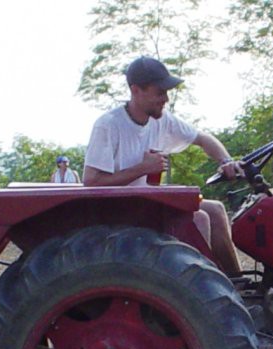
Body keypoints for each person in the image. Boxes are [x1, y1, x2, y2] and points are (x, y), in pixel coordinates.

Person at [83, 56, 243, 275]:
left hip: (147, 205)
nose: (165, 99)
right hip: (119, 212)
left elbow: (204, 139)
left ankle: (236, 283)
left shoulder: (162, 120)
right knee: (199, 218)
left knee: (215, 210)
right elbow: (92, 181)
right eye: (160, 92)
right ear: (136, 90)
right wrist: (142, 168)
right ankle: (197, 290)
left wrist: (226, 161)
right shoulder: (109, 125)